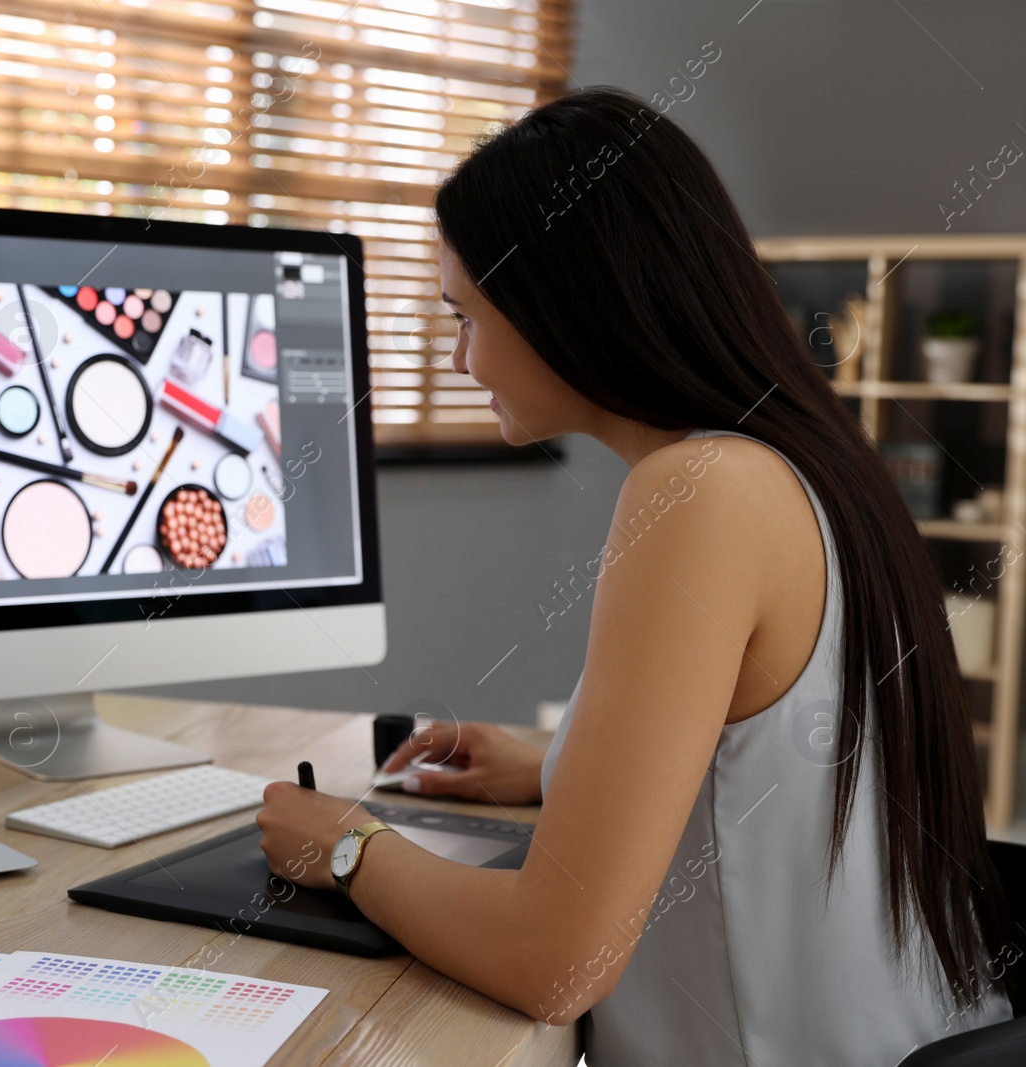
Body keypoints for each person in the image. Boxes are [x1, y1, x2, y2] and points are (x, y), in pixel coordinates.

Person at [256, 86, 1020, 1064]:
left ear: (564, 302)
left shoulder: (698, 491)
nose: (458, 358)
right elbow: (798, 748)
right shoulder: (802, 461)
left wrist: (350, 845)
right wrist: (561, 762)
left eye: (467, 315)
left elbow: (556, 962)